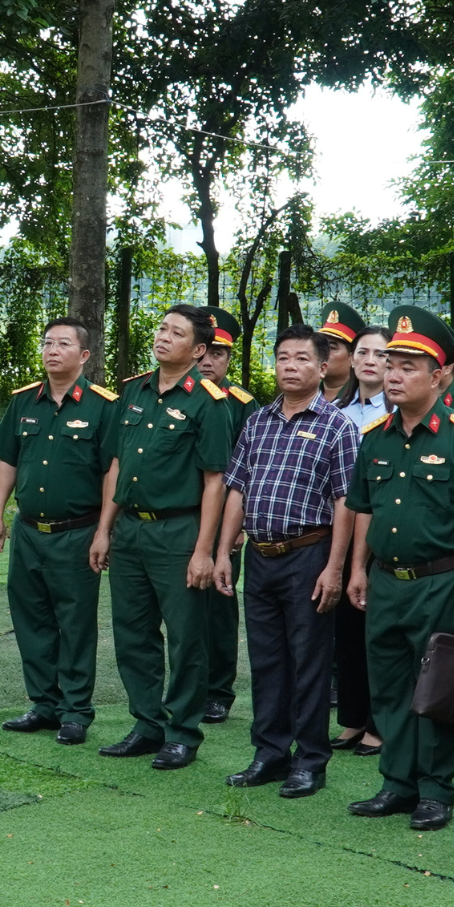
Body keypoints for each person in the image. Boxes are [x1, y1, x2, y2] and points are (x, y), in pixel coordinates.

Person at [344, 307, 454, 832]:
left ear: (438, 376)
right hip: (387, 580)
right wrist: (359, 569)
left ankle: (435, 792)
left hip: (440, 580)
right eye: (391, 363)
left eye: (408, 366)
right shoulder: (375, 438)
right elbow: (364, 510)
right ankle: (396, 782)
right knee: (387, 685)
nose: (393, 374)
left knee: (437, 688)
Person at [214, 325, 362, 798]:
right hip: (260, 556)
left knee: (309, 662)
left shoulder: (337, 425)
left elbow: (346, 502)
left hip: (309, 555)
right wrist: (223, 550)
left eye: (301, 359)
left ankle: (310, 760)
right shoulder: (258, 420)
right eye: (282, 358)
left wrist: (335, 568)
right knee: (266, 659)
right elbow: (237, 487)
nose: (289, 367)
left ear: (322, 368)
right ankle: (270, 753)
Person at [92, 304, 237, 768]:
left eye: (175, 333)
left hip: (179, 530)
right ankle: (146, 723)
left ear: (197, 350)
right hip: (131, 529)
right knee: (132, 632)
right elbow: (116, 466)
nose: (162, 337)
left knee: (185, 636)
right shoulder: (133, 392)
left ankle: (182, 732)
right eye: (161, 329)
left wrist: (204, 552)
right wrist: (104, 529)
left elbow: (216, 480)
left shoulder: (209, 403)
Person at [0, 318, 116, 745]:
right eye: (47, 343)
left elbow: (112, 472)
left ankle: (76, 711)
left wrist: (103, 532)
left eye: (63, 344)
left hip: (77, 533)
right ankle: (44, 703)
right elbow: (7, 462)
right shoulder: (24, 402)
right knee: (31, 618)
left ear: (84, 355)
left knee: (75, 624)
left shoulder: (102, 405)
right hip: (28, 532)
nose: (52, 350)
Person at [329, 322, 394, 756]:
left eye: (381, 354)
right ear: (352, 360)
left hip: (383, 535)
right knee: (346, 632)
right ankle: (352, 719)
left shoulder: (399, 412)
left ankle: (379, 724)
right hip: (340, 531)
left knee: (379, 635)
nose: (371, 361)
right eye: (364, 353)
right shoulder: (336, 409)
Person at [195, 308, 259, 726]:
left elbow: (254, 469)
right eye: (205, 351)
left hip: (223, 524)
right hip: (178, 518)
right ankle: (187, 685)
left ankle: (218, 691)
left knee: (217, 608)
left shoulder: (243, 405)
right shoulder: (174, 395)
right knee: (181, 610)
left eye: (219, 353)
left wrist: (238, 528)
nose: (209, 361)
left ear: (229, 359)